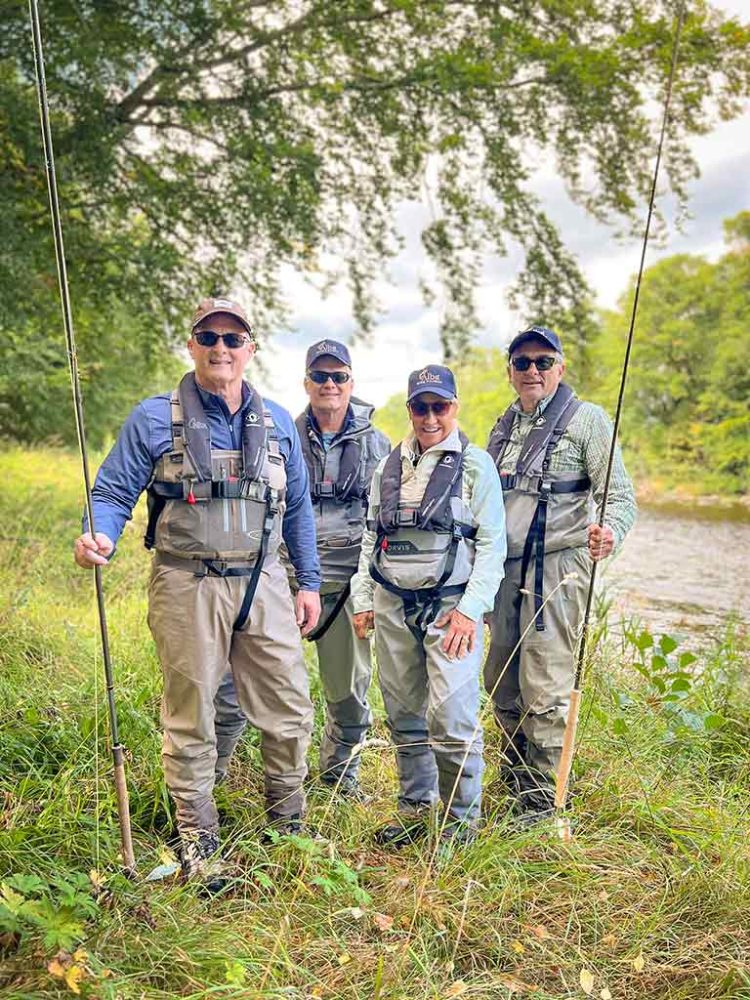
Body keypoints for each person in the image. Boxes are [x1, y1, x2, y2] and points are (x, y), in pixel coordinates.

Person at [73, 296, 321, 890]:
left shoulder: (280, 421)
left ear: (250, 350)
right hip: (186, 582)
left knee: (289, 707)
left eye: (233, 340)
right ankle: (199, 840)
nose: (220, 349)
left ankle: (287, 827)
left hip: (263, 583)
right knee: (193, 715)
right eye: (208, 337)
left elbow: (299, 510)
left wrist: (308, 582)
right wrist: (97, 534)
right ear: (191, 346)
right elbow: (111, 493)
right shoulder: (154, 417)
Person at [213, 339, 390, 799]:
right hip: (280, 580)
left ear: (351, 382)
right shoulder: (277, 434)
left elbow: (385, 522)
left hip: (348, 586)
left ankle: (338, 777)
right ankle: (214, 772)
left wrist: (374, 591)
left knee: (349, 691)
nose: (329, 385)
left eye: (339, 376)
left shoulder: (379, 445)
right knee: (232, 684)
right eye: (320, 376)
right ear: (306, 382)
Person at [485, 324, 636, 827]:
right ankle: (515, 777)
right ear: (510, 371)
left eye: (543, 362)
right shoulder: (502, 426)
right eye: (522, 362)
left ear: (560, 368)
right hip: (503, 572)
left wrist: (608, 532)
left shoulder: (588, 420)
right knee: (500, 680)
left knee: (545, 685)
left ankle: (543, 805)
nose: (532, 370)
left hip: (560, 569)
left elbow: (620, 496)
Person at [351, 365, 506, 848]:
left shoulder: (477, 466)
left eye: (440, 406)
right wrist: (362, 598)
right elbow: (369, 538)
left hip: (450, 609)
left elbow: (493, 546)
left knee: (453, 718)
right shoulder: (387, 467)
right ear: (410, 410)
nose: (431, 416)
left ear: (454, 407)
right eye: (421, 407)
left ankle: (461, 825)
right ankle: (416, 809)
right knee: (404, 712)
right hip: (392, 604)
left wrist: (470, 609)